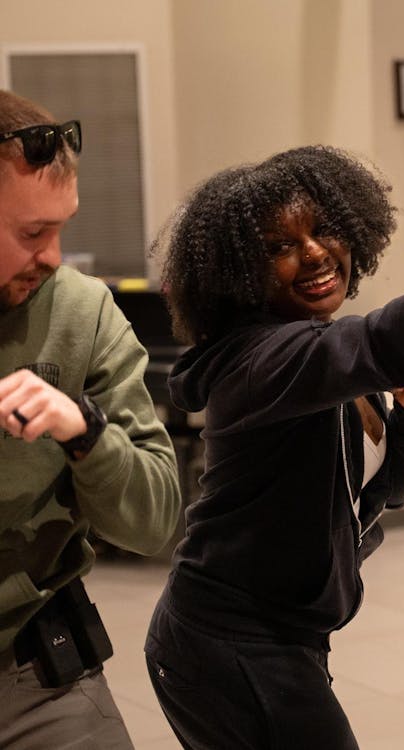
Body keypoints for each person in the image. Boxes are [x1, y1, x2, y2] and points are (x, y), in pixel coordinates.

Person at [143, 145, 404, 749]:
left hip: (284, 638)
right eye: (280, 247)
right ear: (240, 274)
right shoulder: (264, 362)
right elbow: (386, 342)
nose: (313, 253)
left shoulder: (318, 359)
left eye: (325, 228)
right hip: (229, 643)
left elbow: (387, 494)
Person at [0, 90, 182, 749]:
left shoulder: (81, 313)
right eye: (32, 233)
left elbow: (154, 519)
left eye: (61, 228)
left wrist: (86, 433)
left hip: (36, 673)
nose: (54, 256)